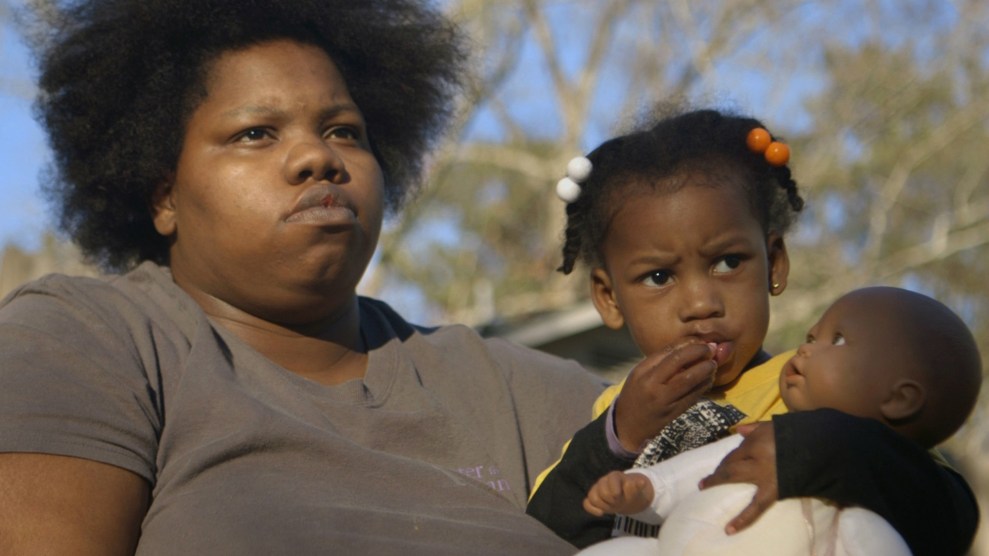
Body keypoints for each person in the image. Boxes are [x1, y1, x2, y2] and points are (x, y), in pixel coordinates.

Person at [0, 1, 612, 554]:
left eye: (343, 131)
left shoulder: (525, 394)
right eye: (255, 134)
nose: (319, 157)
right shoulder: (87, 340)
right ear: (166, 197)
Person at [525, 106, 980, 556]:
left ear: (774, 265)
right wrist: (620, 436)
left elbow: (950, 515)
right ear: (609, 298)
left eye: (728, 263)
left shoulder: (819, 385)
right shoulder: (615, 416)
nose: (701, 303)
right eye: (659, 277)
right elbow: (543, 532)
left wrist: (812, 453)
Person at [579, 286, 982, 555]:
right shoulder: (766, 429)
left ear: (900, 399)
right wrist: (647, 487)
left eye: (837, 340)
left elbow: (948, 513)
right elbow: (693, 475)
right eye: (811, 337)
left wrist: (814, 446)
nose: (804, 350)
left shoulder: (900, 473)